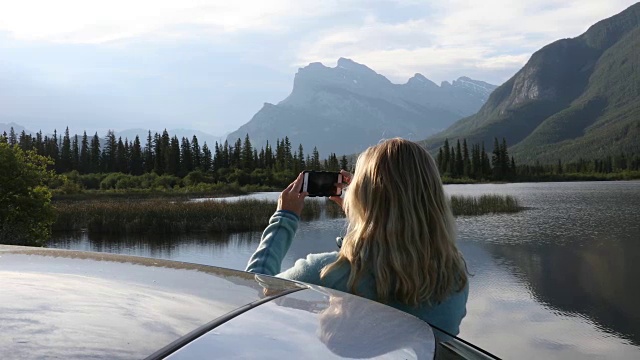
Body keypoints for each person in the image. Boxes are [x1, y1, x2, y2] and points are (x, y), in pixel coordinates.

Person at [246, 138, 468, 335]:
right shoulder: (455, 274)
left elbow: (247, 293)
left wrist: (284, 218)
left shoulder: (327, 271)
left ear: (363, 196)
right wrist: (362, 217)